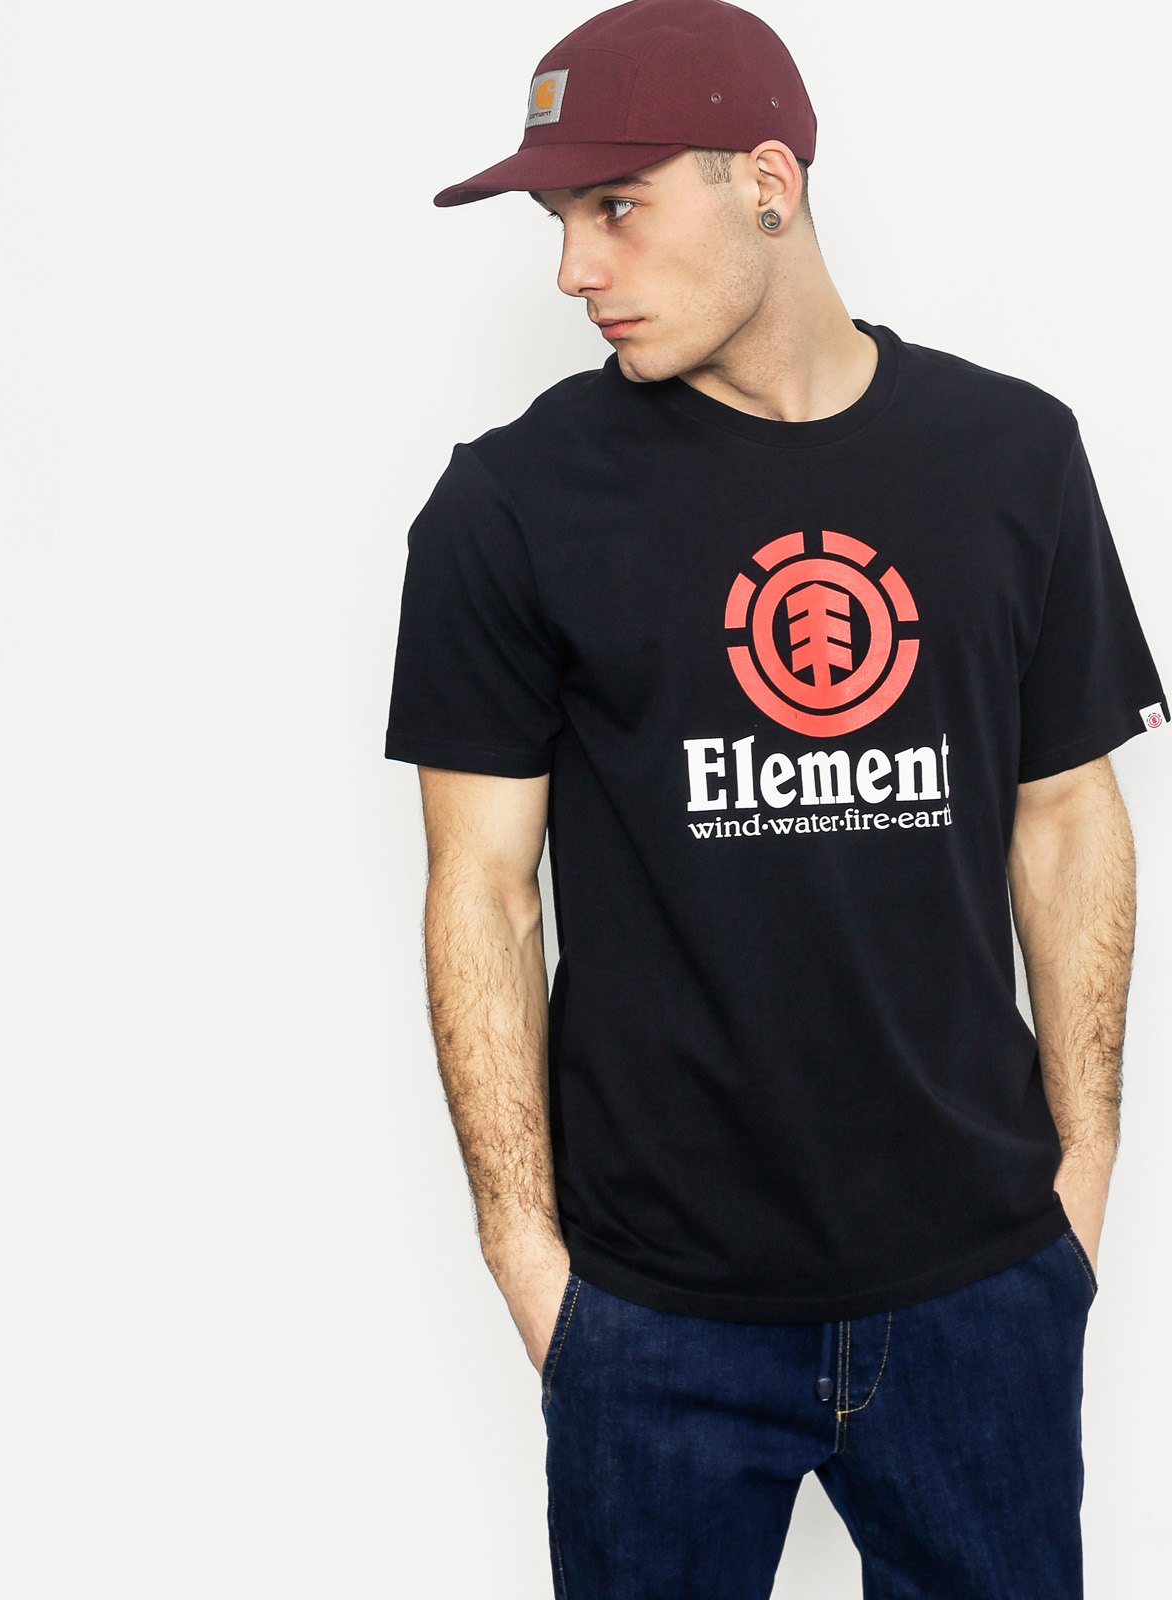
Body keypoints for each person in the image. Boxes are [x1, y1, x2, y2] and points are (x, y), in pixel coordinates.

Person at [384, 1, 1168, 1593]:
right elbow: (482, 886)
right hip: (655, 1317)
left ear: (766, 182)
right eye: (558, 220)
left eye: (614, 207)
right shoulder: (508, 507)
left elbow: (1068, 814)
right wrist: (528, 1260)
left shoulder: (1014, 456)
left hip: (982, 1285)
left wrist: (1081, 1174)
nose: (574, 269)